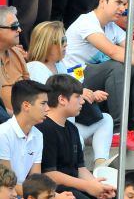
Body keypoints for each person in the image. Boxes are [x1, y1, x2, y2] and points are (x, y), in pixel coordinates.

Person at [61, 0, 134, 150]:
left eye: (125, 4)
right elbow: (114, 52)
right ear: (102, 1)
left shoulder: (111, 27)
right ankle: (117, 132)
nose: (123, 9)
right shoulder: (86, 22)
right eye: (118, 2)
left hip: (95, 80)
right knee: (118, 65)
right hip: (74, 82)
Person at [26, 21, 113, 169]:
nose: (66, 44)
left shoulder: (60, 65)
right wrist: (79, 94)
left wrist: (86, 95)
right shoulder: (35, 68)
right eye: (62, 41)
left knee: (106, 119)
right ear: (48, 44)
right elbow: (50, 102)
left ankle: (100, 165)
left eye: (66, 40)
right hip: (49, 130)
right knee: (75, 137)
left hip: (69, 124)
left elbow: (67, 95)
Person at [38, 74, 117, 199]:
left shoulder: (72, 128)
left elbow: (80, 167)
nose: (82, 101)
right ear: (62, 99)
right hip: (54, 188)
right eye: (77, 97)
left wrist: (97, 186)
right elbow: (49, 173)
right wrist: (88, 186)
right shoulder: (44, 128)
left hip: (75, 185)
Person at [0, 81, 48, 199]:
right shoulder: (3, 133)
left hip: (23, 195)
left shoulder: (38, 135)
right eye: (43, 103)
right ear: (26, 106)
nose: (47, 109)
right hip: (6, 196)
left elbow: (35, 179)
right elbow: (6, 183)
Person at [0, 5, 28, 113]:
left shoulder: (16, 53)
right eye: (14, 26)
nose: (19, 30)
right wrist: (17, 118)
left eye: (19, 25)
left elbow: (29, 90)